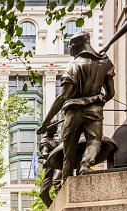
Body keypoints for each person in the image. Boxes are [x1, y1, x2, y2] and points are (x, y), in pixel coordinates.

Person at [37, 31, 115, 182]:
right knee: (94, 141)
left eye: (70, 49)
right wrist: (96, 100)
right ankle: (86, 164)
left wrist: (45, 123)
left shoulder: (73, 66)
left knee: (68, 153)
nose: (70, 53)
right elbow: (111, 93)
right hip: (95, 111)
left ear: (74, 47)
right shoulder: (105, 63)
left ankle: (66, 184)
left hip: (73, 113)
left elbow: (62, 97)